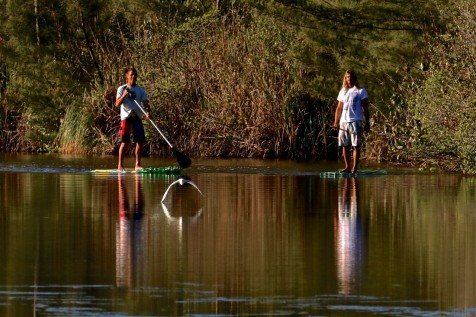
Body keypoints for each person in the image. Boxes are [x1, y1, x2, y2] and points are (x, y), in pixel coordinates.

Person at [333, 70, 370, 174]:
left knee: (356, 145)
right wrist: (336, 122)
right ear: (345, 78)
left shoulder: (361, 91)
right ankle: (347, 167)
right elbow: (339, 108)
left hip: (356, 121)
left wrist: (367, 123)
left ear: (355, 78)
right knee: (345, 145)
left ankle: (354, 168)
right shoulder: (343, 91)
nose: (349, 79)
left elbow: (366, 108)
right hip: (344, 121)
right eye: (347, 77)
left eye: (351, 77)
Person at [115, 66, 150, 171]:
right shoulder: (121, 89)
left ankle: (137, 165)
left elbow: (145, 103)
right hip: (126, 117)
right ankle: (120, 165)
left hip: (137, 116)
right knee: (125, 142)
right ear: (127, 77)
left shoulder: (140, 90)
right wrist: (125, 94)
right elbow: (117, 104)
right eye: (131, 75)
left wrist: (148, 111)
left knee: (140, 141)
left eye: (135, 75)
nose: (134, 77)